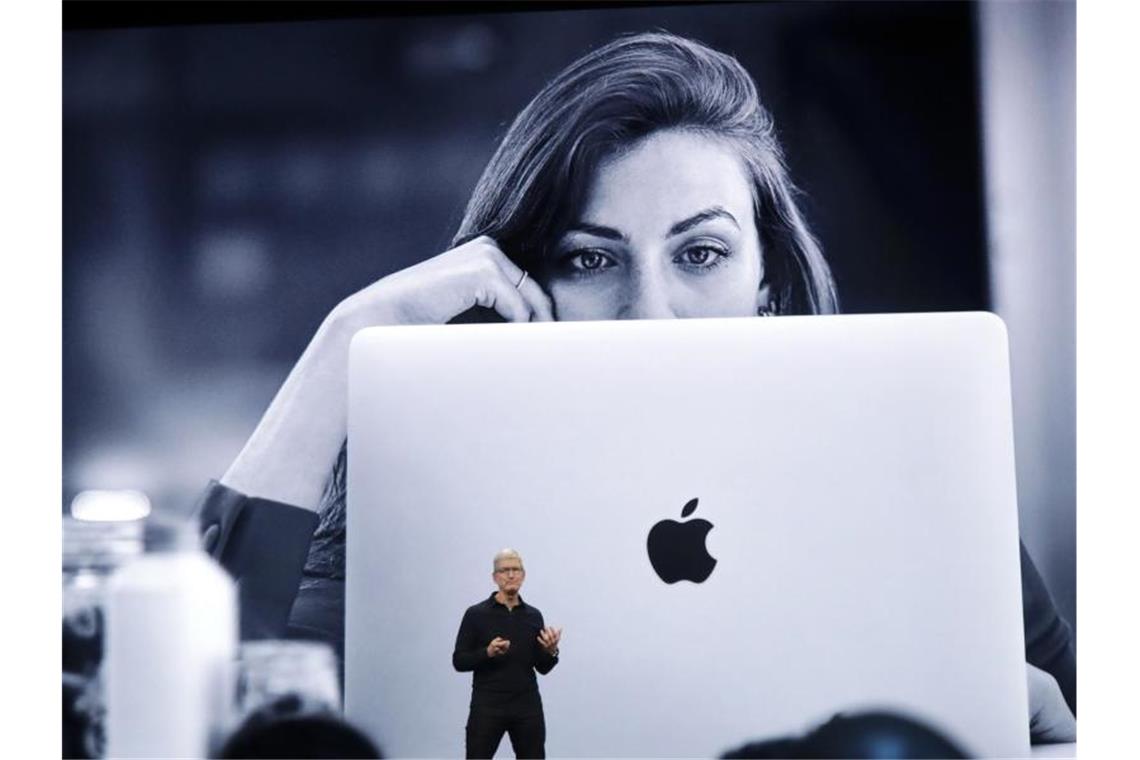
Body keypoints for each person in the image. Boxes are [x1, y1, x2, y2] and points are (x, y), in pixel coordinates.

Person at [192, 31, 1076, 743]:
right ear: (516, 287)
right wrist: (345, 341)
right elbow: (187, 716)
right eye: (590, 258)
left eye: (700, 253)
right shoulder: (414, 540)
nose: (648, 310)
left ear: (767, 286)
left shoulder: (922, 509)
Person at [452, 549, 561, 759]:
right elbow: (459, 661)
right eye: (504, 570)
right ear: (495, 577)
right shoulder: (476, 614)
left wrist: (551, 651)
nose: (511, 575)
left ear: (523, 575)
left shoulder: (533, 615)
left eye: (516, 570)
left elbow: (542, 667)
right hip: (488, 705)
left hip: (527, 705)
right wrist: (488, 652)